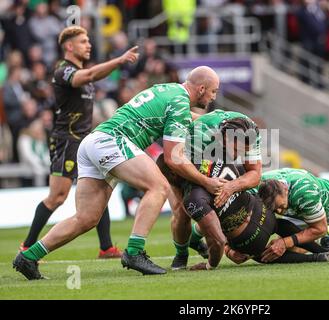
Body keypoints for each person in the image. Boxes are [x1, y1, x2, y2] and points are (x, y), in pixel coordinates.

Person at [13, 65, 223, 280]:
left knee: (85, 218)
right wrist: (206, 182)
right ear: (201, 88)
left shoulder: (169, 91)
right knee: (158, 187)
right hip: (113, 141)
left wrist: (218, 119)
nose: (213, 97)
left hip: (93, 142)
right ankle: (134, 252)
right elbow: (173, 159)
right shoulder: (179, 102)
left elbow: (187, 118)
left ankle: (28, 257)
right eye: (213, 91)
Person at [19, 26, 140, 259]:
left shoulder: (83, 73)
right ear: (69, 46)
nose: (89, 45)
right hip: (66, 141)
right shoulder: (63, 71)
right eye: (83, 41)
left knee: (100, 187)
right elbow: (91, 75)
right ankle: (26, 246)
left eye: (88, 41)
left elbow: (93, 75)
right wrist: (119, 61)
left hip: (85, 141)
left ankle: (106, 248)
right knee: (57, 197)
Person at [157, 156, 329, 272]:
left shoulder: (192, 199)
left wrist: (211, 263)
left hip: (248, 240)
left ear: (172, 177)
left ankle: (315, 258)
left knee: (260, 253)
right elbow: (249, 176)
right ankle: (322, 252)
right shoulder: (215, 160)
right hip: (264, 213)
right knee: (279, 224)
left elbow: (218, 239)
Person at [169, 110, 263, 270]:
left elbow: (255, 174)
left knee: (228, 192)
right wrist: (206, 181)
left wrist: (231, 186)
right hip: (183, 162)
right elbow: (177, 164)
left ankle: (198, 238)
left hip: (214, 149)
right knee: (182, 210)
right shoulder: (198, 135)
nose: (240, 154)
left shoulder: (251, 132)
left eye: (244, 151)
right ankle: (181, 254)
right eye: (237, 149)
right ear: (226, 138)